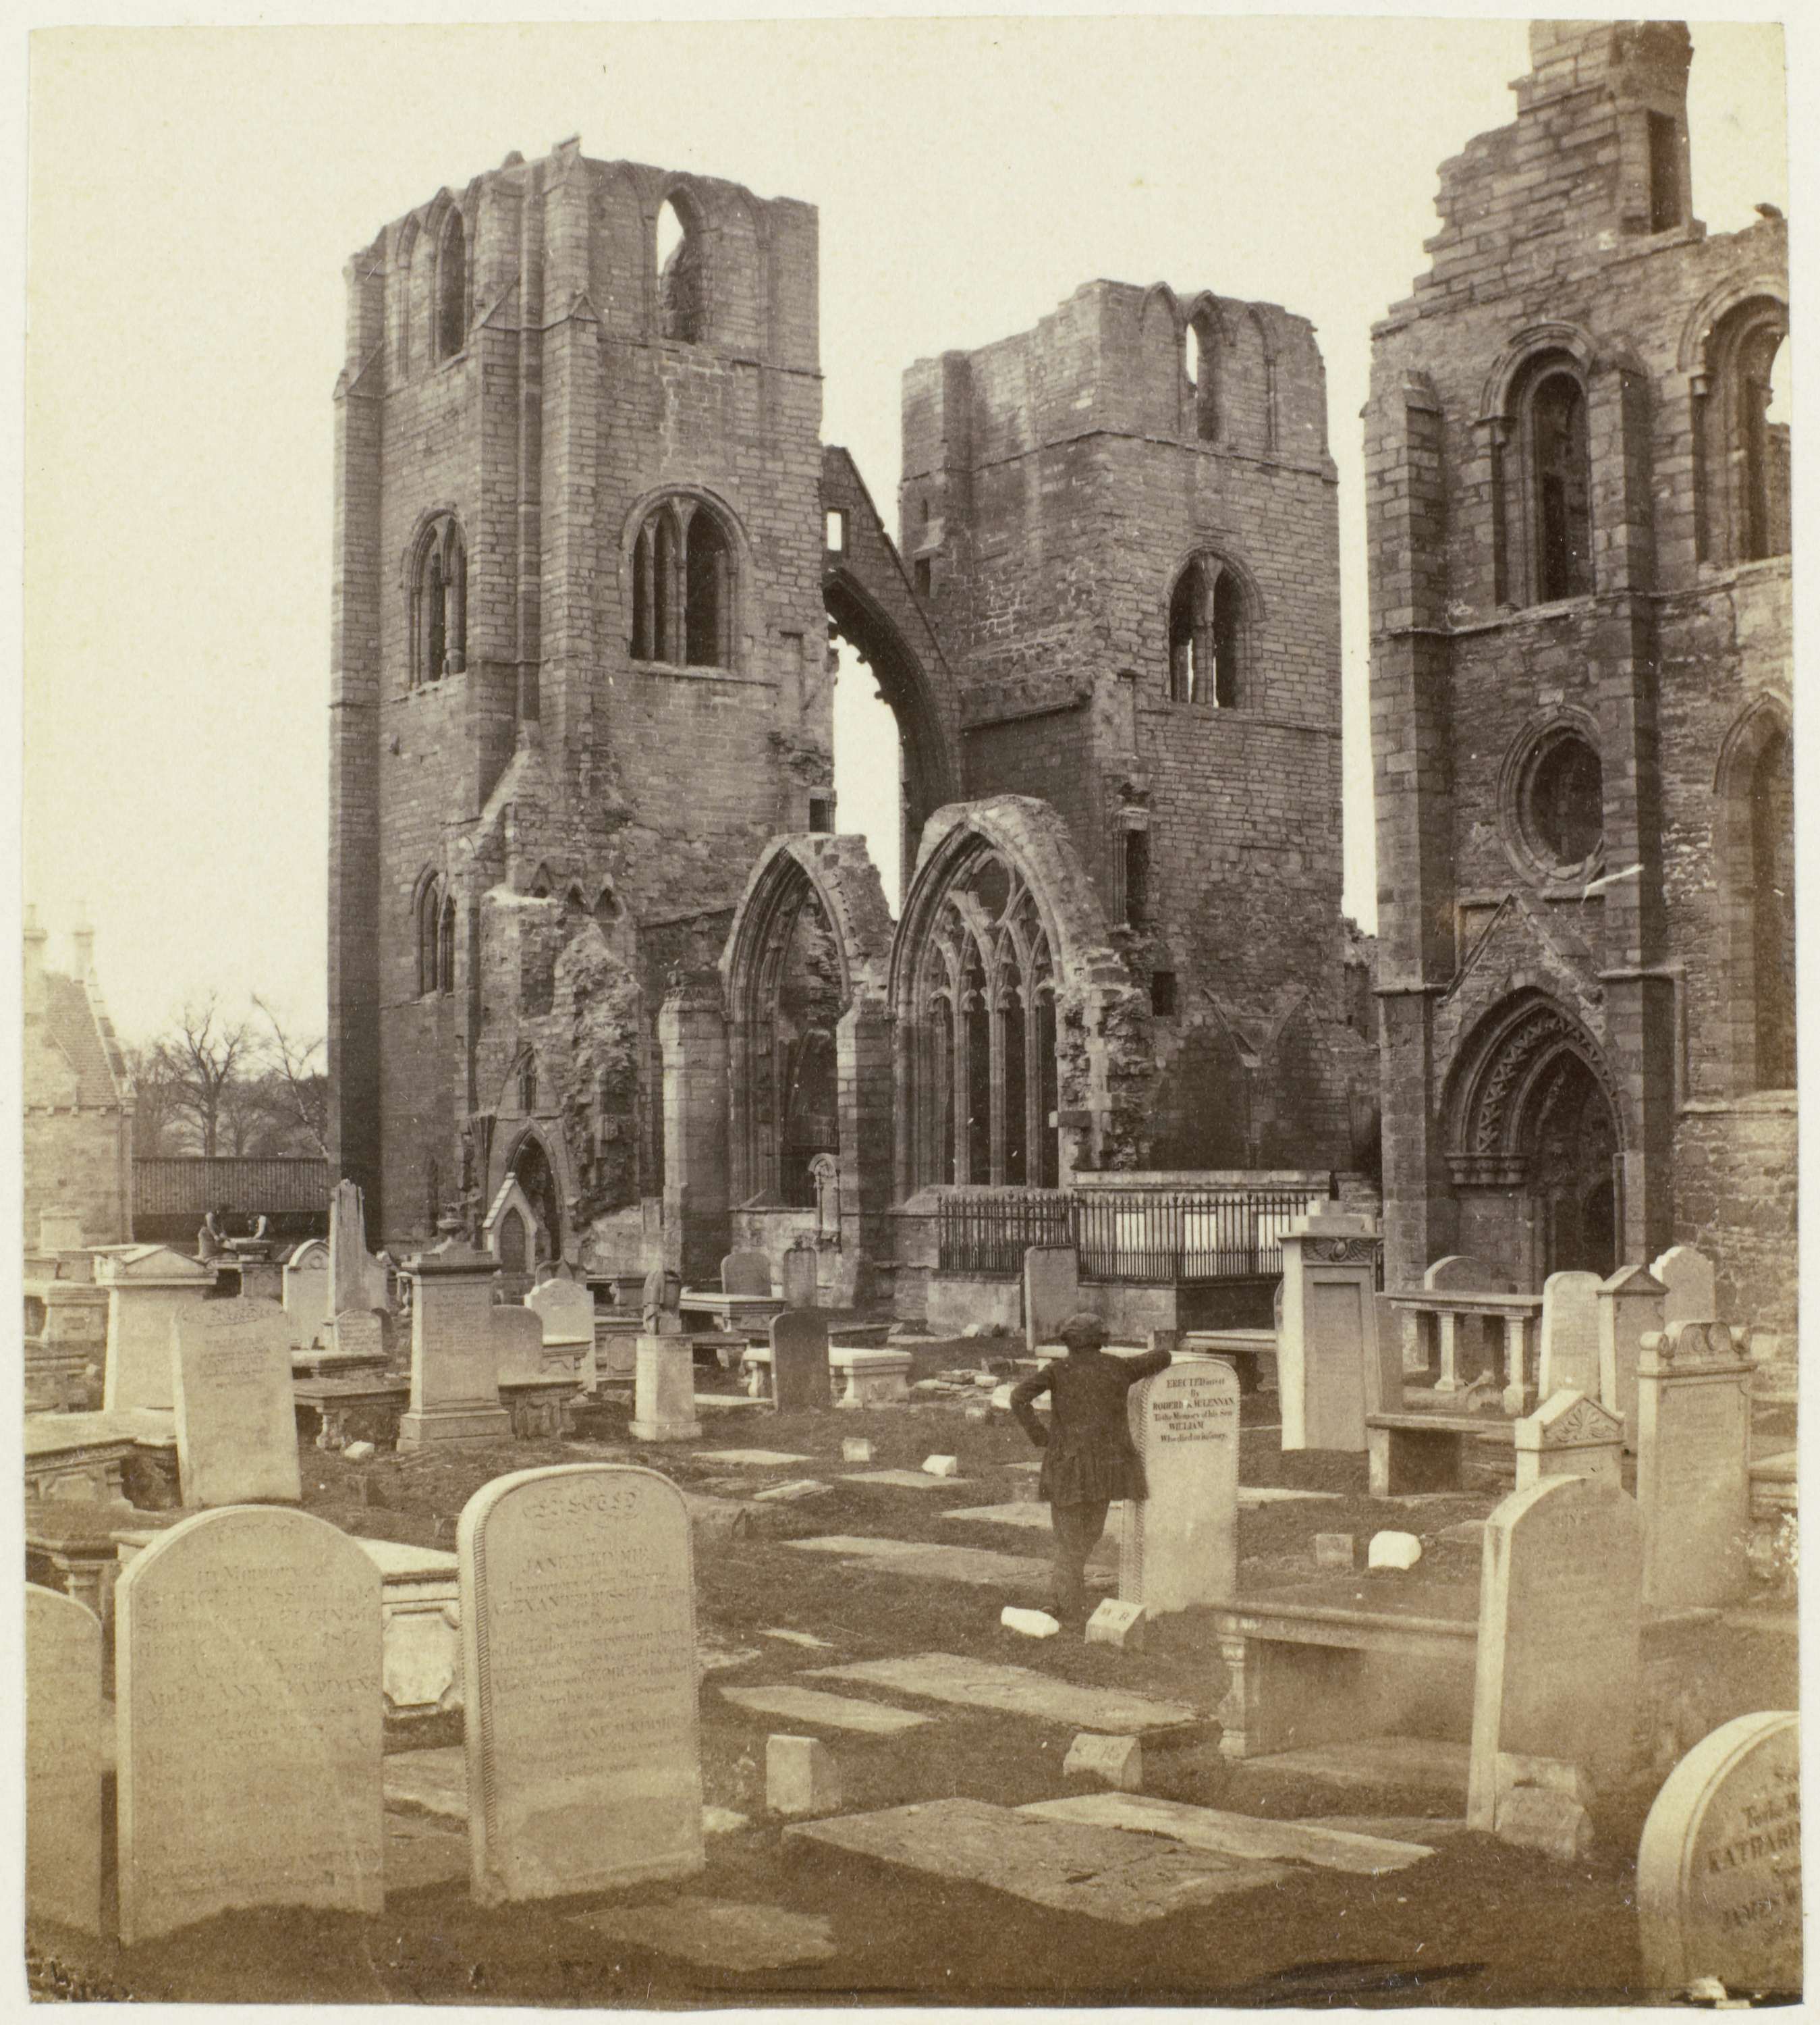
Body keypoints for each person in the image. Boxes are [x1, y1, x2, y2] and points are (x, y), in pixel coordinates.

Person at [1009, 1312, 1171, 1624]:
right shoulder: (1119, 1367)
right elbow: (1160, 1358)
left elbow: (1018, 1398)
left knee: (1069, 1537)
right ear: (1100, 1340)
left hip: (1067, 1467)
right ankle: (1062, 1601)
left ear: (1069, 1341)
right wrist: (1161, 1351)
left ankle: (1063, 1602)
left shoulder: (1057, 1370)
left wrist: (1041, 1436)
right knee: (1088, 1534)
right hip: (1104, 1469)